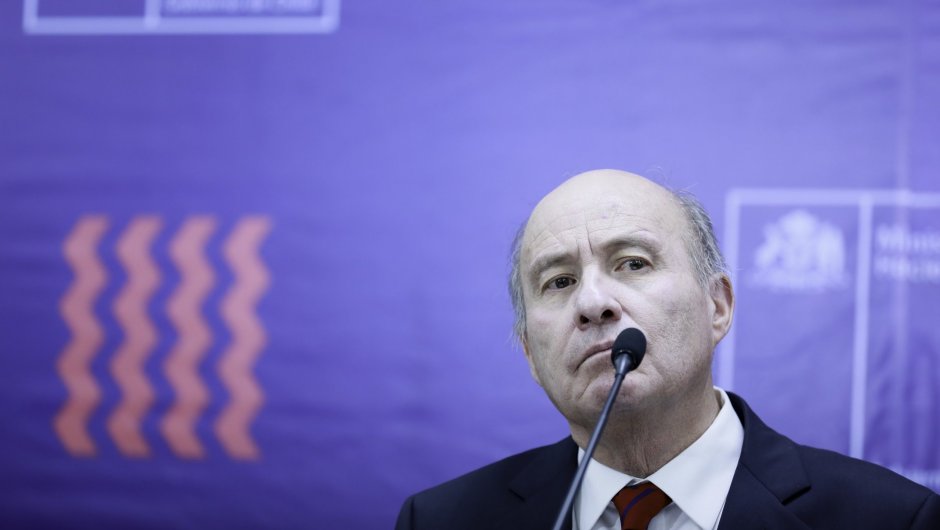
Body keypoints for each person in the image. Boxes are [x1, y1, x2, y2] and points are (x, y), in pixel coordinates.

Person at [395, 169, 940, 530]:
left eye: (633, 263)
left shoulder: (891, 520)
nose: (593, 302)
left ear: (717, 306)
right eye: (559, 281)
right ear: (530, 355)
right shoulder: (441, 521)